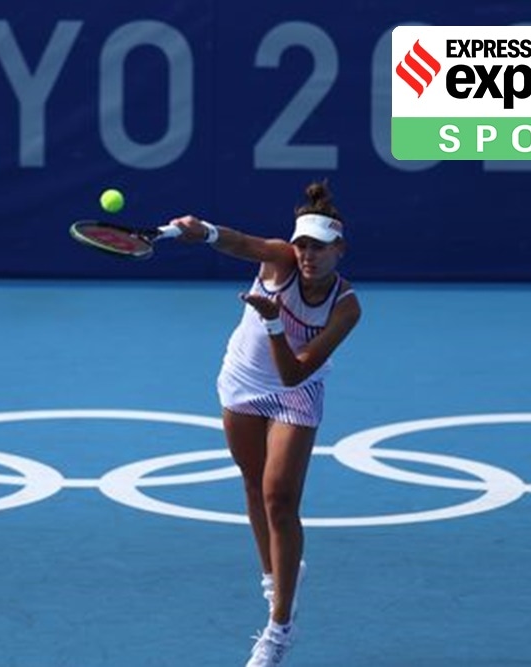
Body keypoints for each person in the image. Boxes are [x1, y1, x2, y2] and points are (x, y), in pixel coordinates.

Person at [168, 180, 361, 667]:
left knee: (280, 499)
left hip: (295, 392)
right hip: (241, 382)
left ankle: (279, 631)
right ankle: (276, 581)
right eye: (302, 245)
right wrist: (204, 231)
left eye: (318, 247)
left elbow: (294, 371)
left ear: (340, 250)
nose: (308, 255)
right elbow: (239, 242)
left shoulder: (347, 307)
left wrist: (275, 322)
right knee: (254, 487)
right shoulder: (279, 260)